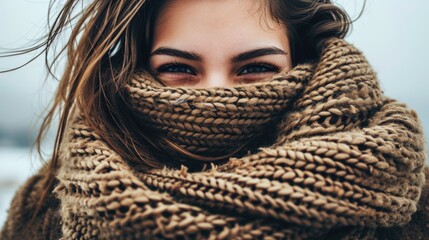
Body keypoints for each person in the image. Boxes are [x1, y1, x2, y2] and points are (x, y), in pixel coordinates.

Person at [1, 0, 428, 239]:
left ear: (308, 64)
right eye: (179, 68)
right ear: (136, 68)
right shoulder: (45, 207)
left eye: (256, 67)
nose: (216, 93)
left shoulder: (410, 199)